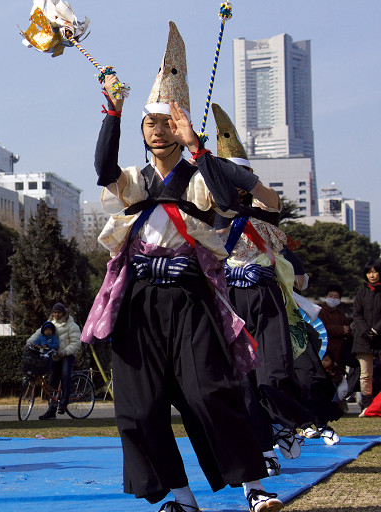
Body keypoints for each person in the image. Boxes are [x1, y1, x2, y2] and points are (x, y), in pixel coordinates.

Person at [81, 23, 281, 512]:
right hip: (138, 301)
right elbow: (103, 169)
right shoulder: (132, 180)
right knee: (138, 408)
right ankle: (181, 497)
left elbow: (255, 196)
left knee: (210, 393)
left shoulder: (203, 176)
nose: (158, 129)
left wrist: (199, 147)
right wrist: (114, 112)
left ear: (184, 125)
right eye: (150, 122)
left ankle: (253, 488)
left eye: (168, 121)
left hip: (191, 298)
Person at [209, 102, 315, 472]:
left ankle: (288, 425)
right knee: (242, 380)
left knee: (274, 371)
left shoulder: (262, 214)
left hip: (264, 295)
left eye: (240, 181)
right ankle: (263, 449)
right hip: (229, 298)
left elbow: (272, 209)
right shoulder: (211, 213)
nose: (235, 189)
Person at [26, 303, 81, 420]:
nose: (56, 315)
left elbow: (76, 343)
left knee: (65, 375)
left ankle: (64, 403)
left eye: (59, 312)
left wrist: (64, 352)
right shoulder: (50, 324)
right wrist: (29, 343)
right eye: (54, 312)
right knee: (52, 381)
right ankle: (51, 410)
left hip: (67, 355)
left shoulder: (72, 326)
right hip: (54, 355)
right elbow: (38, 333)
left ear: (63, 313)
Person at [352, 258, 381, 416]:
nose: (372, 275)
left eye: (375, 271)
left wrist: (376, 330)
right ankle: (367, 406)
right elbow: (357, 314)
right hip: (363, 339)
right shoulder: (361, 291)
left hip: (380, 336)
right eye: (369, 272)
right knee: (365, 375)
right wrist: (366, 331)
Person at [319, 284, 351, 370]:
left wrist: (347, 330)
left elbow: (347, 327)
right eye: (331, 296)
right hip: (325, 348)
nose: (333, 299)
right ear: (326, 296)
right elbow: (322, 327)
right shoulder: (320, 311)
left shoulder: (340, 313)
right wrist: (341, 329)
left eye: (336, 297)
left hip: (340, 350)